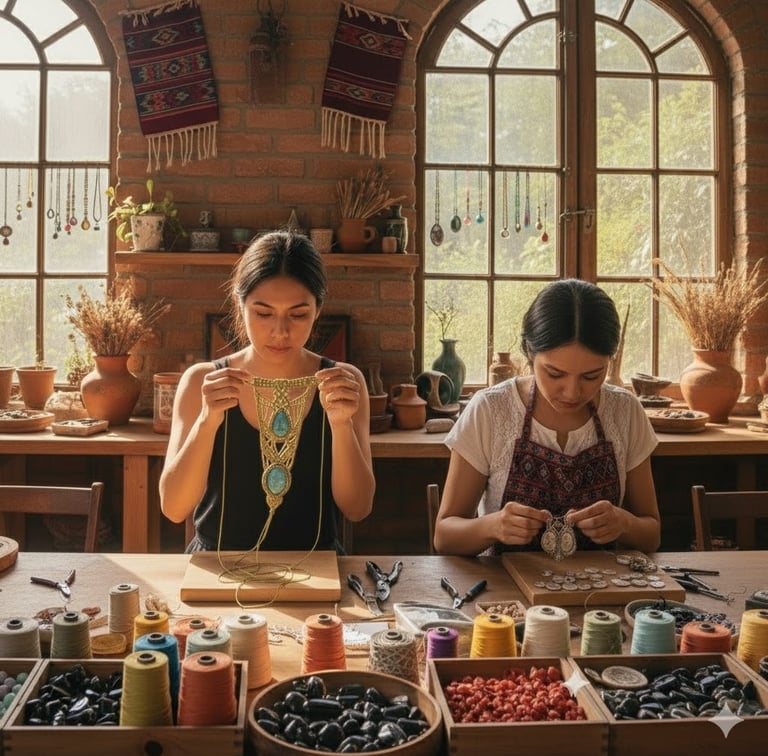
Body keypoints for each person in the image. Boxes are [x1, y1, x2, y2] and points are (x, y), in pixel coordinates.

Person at [160, 231, 375, 553]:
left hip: (317, 570)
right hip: (218, 569)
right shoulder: (200, 381)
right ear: (240, 303)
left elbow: (358, 509)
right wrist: (208, 421)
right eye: (263, 313)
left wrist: (341, 424)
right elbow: (174, 508)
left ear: (318, 309)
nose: (280, 332)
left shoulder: (343, 382)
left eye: (298, 314)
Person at [433, 279, 660, 556]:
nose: (572, 392)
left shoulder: (625, 411)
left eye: (591, 376)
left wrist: (624, 524)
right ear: (529, 352)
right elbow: (444, 536)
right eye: (555, 374)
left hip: (601, 589)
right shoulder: (491, 410)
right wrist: (492, 527)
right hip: (509, 593)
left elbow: (652, 536)